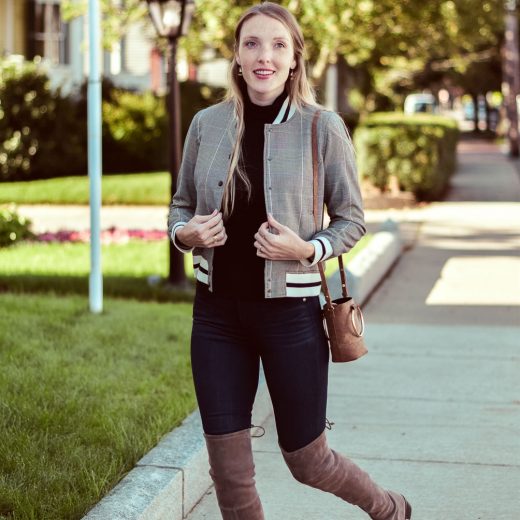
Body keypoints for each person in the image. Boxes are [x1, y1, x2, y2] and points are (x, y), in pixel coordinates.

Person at [167, 2, 412, 519]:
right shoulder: (206, 125)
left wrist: (306, 249)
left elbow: (352, 220)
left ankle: (387, 508)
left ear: (295, 59)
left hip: (291, 319)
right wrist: (184, 234)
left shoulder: (322, 127)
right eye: (252, 43)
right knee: (230, 476)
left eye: (278, 45)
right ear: (235, 57)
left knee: (308, 459)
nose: (264, 56)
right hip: (216, 318)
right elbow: (180, 205)